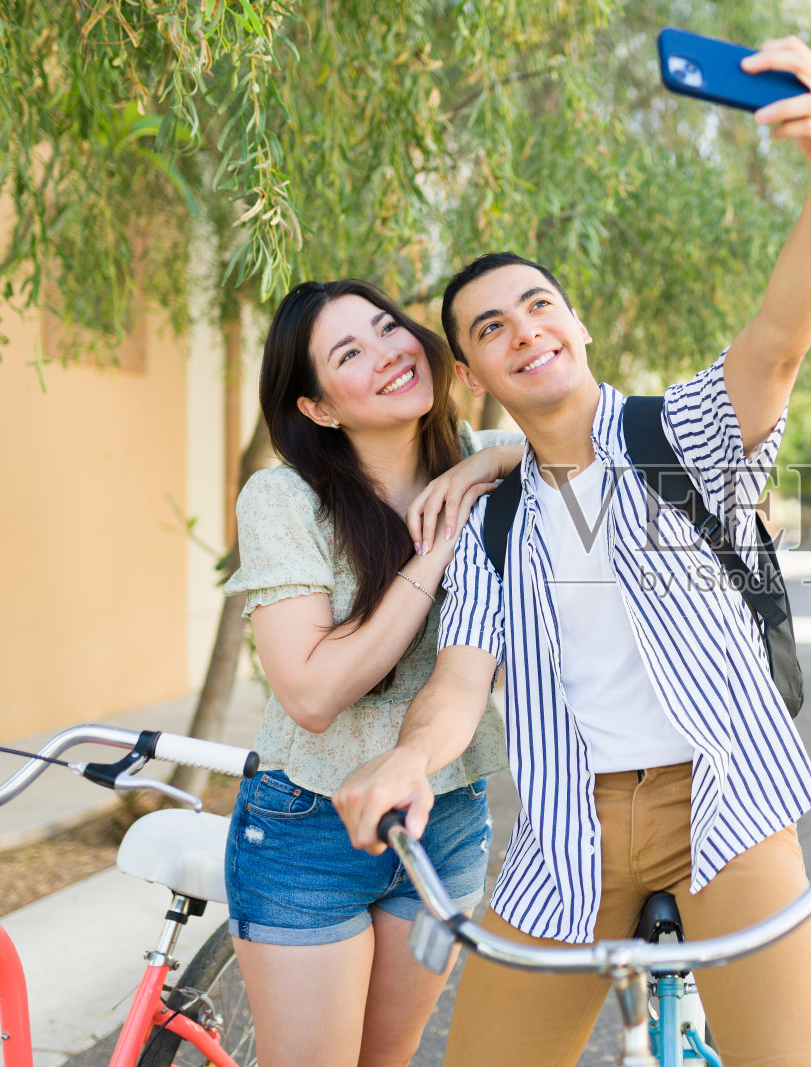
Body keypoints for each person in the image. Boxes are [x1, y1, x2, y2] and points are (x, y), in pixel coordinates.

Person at [333, 36, 811, 1067]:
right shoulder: (491, 519)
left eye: (539, 305)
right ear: (473, 374)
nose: (523, 330)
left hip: (728, 798)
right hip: (568, 829)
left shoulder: (684, 435)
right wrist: (406, 756)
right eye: (491, 327)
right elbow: (459, 682)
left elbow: (777, 340)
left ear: (576, 326)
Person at [222, 278, 523, 1067]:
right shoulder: (284, 499)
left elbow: (592, 444)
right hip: (309, 825)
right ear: (318, 407)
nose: (389, 352)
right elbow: (311, 692)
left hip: (445, 817)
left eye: (389, 328)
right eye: (349, 353)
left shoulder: (486, 464)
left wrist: (491, 460)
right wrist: (436, 551)